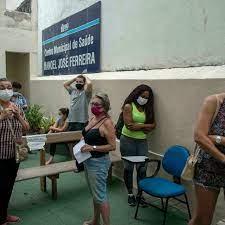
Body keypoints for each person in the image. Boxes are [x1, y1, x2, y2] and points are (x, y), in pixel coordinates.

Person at [189, 93, 225, 225]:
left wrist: (217, 138)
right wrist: (222, 158)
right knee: (203, 219)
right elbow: (199, 136)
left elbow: (208, 137)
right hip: (208, 169)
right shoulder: (214, 102)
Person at [81, 93, 116, 225]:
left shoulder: (107, 123)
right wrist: (83, 140)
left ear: (105, 107)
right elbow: (88, 135)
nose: (94, 107)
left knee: (100, 195)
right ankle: (95, 220)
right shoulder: (93, 119)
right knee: (95, 194)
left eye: (97, 105)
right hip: (88, 161)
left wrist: (93, 147)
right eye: (92, 104)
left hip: (99, 163)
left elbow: (112, 146)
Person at [120, 84, 156, 207]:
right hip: (127, 141)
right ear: (136, 94)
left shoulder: (148, 108)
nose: (144, 99)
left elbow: (153, 125)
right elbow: (129, 125)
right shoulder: (128, 106)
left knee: (142, 169)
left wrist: (139, 126)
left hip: (142, 142)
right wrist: (145, 126)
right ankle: (130, 194)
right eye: (142, 96)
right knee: (128, 168)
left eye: (147, 97)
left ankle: (140, 195)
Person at [0, 78, 29, 225]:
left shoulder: (17, 105)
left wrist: (18, 115)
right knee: (2, 187)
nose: (6, 90)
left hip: (15, 154)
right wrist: (2, 117)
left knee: (9, 186)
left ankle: (4, 214)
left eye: (9, 87)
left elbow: (26, 128)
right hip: (1, 155)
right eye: (2, 87)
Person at [64, 74, 92, 172]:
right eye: (77, 82)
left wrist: (84, 76)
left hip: (82, 122)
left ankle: (81, 166)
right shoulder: (73, 91)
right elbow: (65, 84)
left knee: (81, 144)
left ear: (84, 83)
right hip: (72, 121)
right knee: (71, 142)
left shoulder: (86, 93)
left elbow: (90, 84)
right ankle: (76, 161)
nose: (78, 83)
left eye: (81, 82)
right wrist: (75, 78)